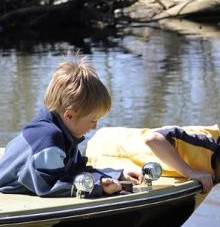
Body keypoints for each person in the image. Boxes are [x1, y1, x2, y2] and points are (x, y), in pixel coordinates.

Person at [0, 55, 143, 197]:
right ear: (69, 115)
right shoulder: (48, 137)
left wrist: (117, 175)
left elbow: (76, 171)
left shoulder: (65, 132)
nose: (95, 127)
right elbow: (49, 186)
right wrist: (99, 188)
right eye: (92, 120)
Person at [86, 125, 220, 201]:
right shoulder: (202, 142)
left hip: (122, 159)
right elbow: (153, 138)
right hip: (106, 150)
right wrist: (190, 172)